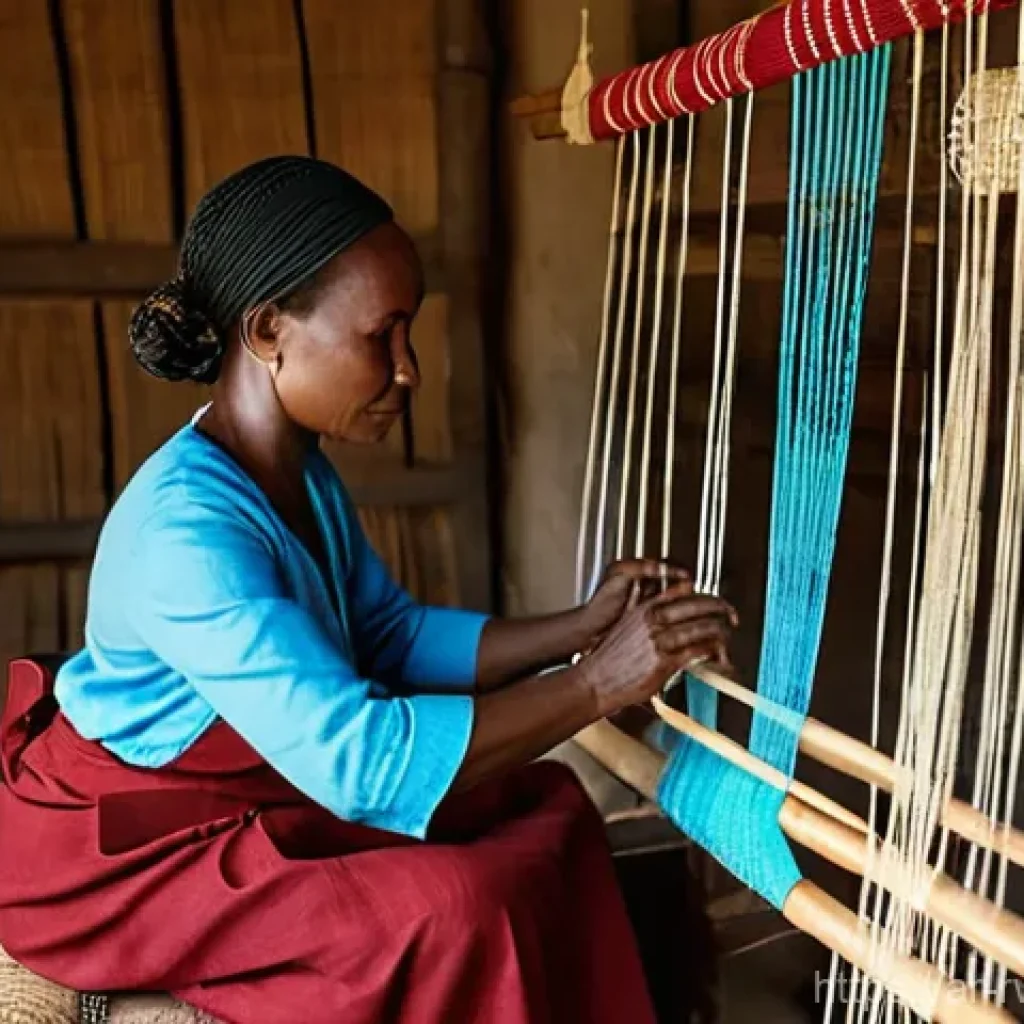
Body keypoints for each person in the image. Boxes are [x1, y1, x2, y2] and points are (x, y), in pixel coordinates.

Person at [0, 156, 736, 1024]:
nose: (408, 368)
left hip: (260, 791)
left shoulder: (297, 474)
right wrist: (596, 681)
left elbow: (385, 634)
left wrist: (579, 626)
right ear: (269, 330)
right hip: (135, 854)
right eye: (379, 335)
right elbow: (359, 763)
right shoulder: (186, 535)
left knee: (546, 807)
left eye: (409, 333)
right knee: (457, 910)